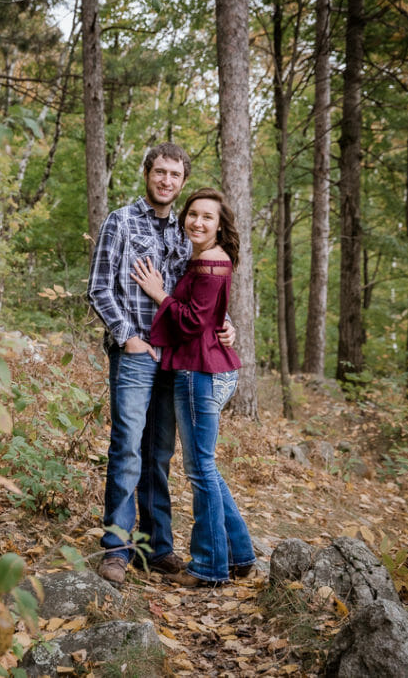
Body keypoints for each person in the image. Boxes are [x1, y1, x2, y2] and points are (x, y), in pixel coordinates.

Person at [87, 144, 234, 585]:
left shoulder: (187, 231)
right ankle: (117, 549)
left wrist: (227, 324)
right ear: (147, 173)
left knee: (159, 453)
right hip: (135, 354)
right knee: (127, 447)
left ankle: (157, 548)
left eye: (175, 174)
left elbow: (199, 294)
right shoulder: (121, 221)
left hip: (176, 358)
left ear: (182, 181)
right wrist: (127, 337)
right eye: (160, 172)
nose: (166, 180)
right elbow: (99, 287)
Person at [130, 187, 256, 586]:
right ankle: (240, 553)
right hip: (207, 368)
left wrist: (158, 293)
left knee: (200, 470)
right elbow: (209, 314)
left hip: (200, 373)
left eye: (208, 217)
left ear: (220, 225)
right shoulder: (205, 258)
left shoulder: (210, 262)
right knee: (206, 468)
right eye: (193, 214)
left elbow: (190, 322)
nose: (198, 222)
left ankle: (209, 568)